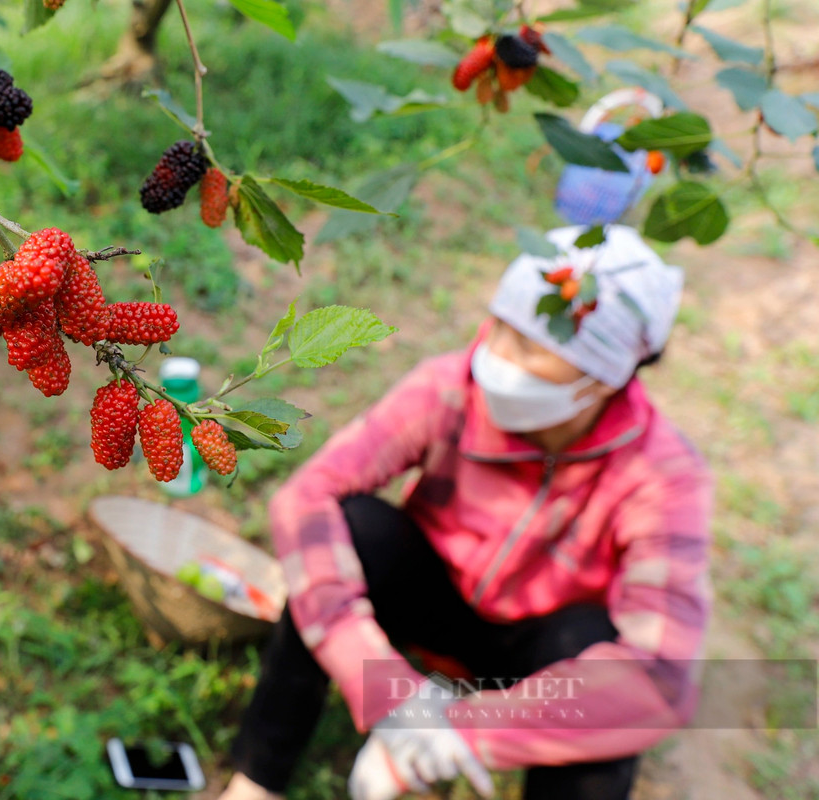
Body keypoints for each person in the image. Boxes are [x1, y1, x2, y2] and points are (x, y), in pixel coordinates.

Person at [217, 224, 713, 800]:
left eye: (532, 347)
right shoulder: (449, 388)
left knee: (608, 692)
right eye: (501, 326)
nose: (497, 357)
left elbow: (661, 676)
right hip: (438, 600)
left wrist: (465, 733)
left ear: (604, 377)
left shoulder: (663, 476)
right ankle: (256, 781)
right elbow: (307, 496)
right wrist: (371, 674)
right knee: (348, 532)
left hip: (543, 654)